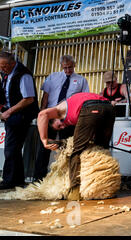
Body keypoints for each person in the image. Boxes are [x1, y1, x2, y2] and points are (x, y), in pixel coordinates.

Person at [37, 92, 115, 200]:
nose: (63, 127)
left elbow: (42, 114)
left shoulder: (58, 111)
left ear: (54, 117)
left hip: (90, 107)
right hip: (109, 108)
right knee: (100, 148)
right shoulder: (74, 107)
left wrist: (44, 139)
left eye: (59, 125)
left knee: (76, 151)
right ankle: (105, 185)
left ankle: (74, 191)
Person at [33, 55, 89, 181]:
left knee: (67, 147)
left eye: (70, 67)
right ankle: (39, 178)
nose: (68, 70)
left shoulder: (81, 80)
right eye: (65, 68)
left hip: (68, 118)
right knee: (44, 146)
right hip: (51, 116)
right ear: (61, 66)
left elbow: (83, 99)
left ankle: (66, 178)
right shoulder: (53, 77)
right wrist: (43, 112)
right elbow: (46, 96)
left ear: (74, 65)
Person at [0, 51, 39, 190]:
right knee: (14, 149)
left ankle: (9, 180)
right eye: (0, 67)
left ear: (12, 63)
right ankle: (17, 179)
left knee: (11, 148)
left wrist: (9, 112)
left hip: (22, 115)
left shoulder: (24, 75)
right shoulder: (6, 74)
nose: (2, 69)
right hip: (10, 113)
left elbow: (28, 99)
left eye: (4, 66)